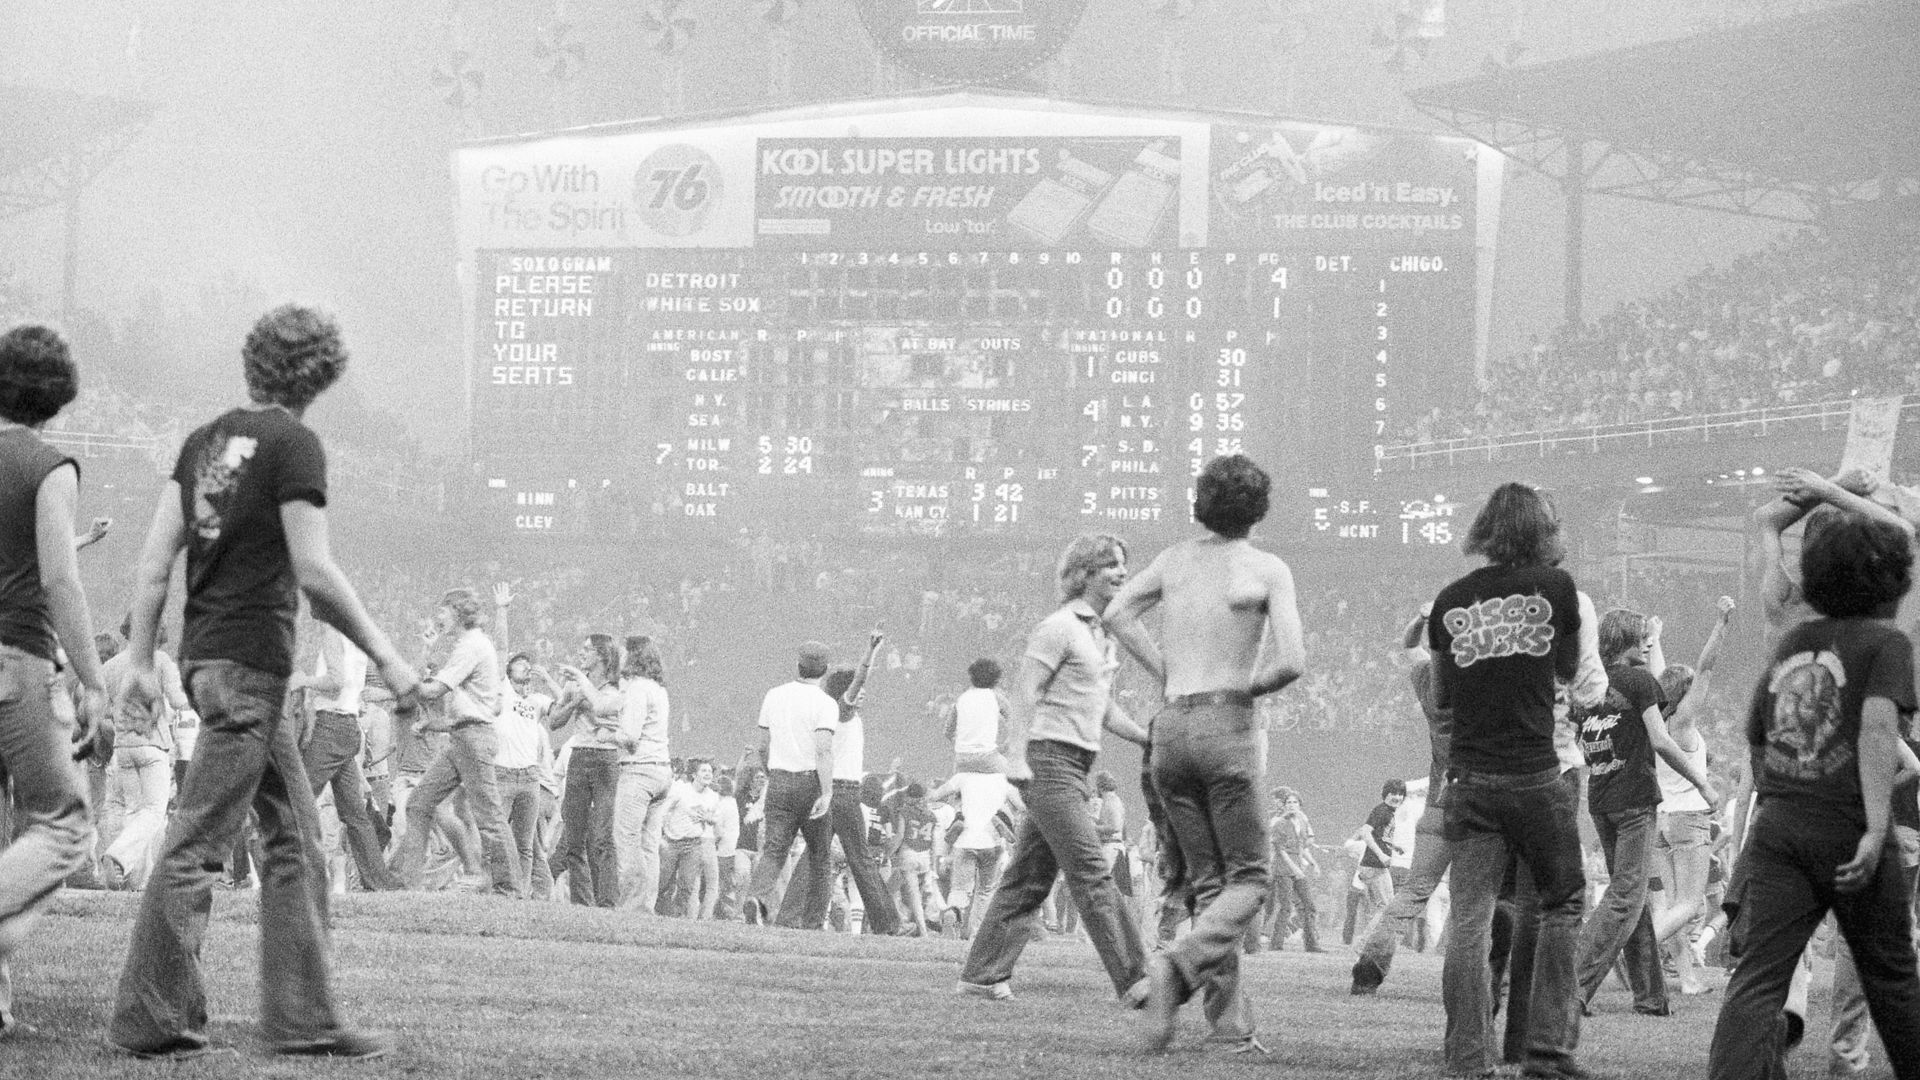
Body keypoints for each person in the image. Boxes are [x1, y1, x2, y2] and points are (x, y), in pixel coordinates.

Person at [108, 304, 420, 1059]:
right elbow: (313, 571)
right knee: (196, 845)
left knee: (296, 839)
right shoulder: (294, 444)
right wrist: (387, 654)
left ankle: (304, 1019)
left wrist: (145, 658)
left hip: (210, 660)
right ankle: (152, 1020)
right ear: (320, 374)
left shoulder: (202, 444)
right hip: (254, 668)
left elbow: (153, 566)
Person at [1707, 511, 1920, 1080]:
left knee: (1759, 979)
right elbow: (1879, 730)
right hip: (1848, 826)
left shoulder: (1794, 639)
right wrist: (1876, 828)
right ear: (1891, 582)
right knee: (1893, 980)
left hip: (1779, 826)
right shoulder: (1886, 643)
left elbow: (1758, 730)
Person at [1104, 456, 1305, 1054]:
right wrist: (1245, 689)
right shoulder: (1268, 569)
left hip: (1169, 726)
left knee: (1211, 885)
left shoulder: (1173, 559)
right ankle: (1175, 965)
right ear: (1259, 509)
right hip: (1226, 723)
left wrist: (1167, 673)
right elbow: (1292, 662)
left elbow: (1116, 614)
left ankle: (1228, 1028)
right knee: (1251, 877)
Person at [1425, 481, 1588, 1080]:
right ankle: (1547, 1051)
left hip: (1468, 778)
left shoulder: (1449, 600)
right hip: (1535, 775)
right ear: (1537, 530)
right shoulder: (1556, 588)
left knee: (1469, 919)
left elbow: (1442, 696)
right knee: (1563, 901)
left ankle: (1467, 1060)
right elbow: (1567, 669)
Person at [956, 533, 1150, 1005]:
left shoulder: (1102, 637)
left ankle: (982, 975)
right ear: (1084, 573)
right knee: (1090, 870)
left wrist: (1150, 738)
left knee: (1028, 878)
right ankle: (1138, 980)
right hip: (1048, 761)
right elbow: (1025, 693)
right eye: (1112, 565)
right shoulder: (1059, 628)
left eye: (1124, 565)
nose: (1122, 573)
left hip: (1077, 764)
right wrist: (1017, 756)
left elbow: (1104, 709)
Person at [0, 323, 108, 1040]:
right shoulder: (48, 464)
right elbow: (58, 580)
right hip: (16, 658)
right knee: (64, 825)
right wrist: (93, 681)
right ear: (57, 397)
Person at [1573, 607, 1722, 1016]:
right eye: (1642, 637)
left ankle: (1651, 997)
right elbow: (1660, 740)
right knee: (1624, 896)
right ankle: (1571, 985)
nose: (1647, 643)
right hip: (1635, 801)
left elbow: (1580, 741)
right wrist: (1704, 784)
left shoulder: (1591, 683)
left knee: (1633, 896)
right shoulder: (1638, 681)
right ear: (1626, 642)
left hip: (1601, 798)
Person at [391, 587, 518, 897]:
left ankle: (508, 887)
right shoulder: (469, 644)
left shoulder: (471, 646)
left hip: (473, 739)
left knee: (488, 816)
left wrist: (398, 677)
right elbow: (457, 703)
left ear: (459, 613)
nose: (439, 616)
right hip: (461, 737)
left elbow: (433, 691)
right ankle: (409, 882)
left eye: (444, 611)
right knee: (420, 803)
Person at [1353, 611, 1450, 989]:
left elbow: (1410, 644)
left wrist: (1423, 617)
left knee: (1413, 891)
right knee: (1481, 899)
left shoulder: (1430, 680)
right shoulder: (1485, 685)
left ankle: (1369, 968)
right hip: (1478, 799)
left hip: (1439, 801)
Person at [1648, 596, 1736, 997]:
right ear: (1686, 693)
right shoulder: (1683, 723)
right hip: (1689, 819)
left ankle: (1686, 979)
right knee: (1689, 903)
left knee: (1673, 906)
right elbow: (1706, 668)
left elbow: (1659, 675)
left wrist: (1654, 639)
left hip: (1662, 821)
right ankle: (1633, 946)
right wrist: (1721, 622)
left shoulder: (1657, 721)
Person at [295, 623, 403, 892]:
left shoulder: (332, 634)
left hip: (330, 725)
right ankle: (379, 881)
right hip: (348, 726)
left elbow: (334, 683)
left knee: (296, 801)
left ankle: (291, 879)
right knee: (355, 814)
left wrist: (303, 681)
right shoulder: (357, 641)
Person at [740, 641, 839, 929]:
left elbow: (763, 745)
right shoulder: (825, 704)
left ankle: (756, 898)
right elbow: (823, 750)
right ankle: (813, 921)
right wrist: (827, 790)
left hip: (780, 778)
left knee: (774, 850)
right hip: (810, 781)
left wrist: (774, 774)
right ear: (825, 670)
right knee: (820, 855)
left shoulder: (774, 695)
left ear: (798, 665)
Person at [822, 628, 903, 935]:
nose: (863, 692)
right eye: (857, 689)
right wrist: (872, 652)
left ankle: (794, 914)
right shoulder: (842, 712)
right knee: (862, 859)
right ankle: (888, 922)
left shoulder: (839, 715)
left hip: (832, 790)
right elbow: (860, 679)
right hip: (845, 792)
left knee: (815, 856)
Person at [550, 633, 622, 906]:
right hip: (579, 756)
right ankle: (581, 901)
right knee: (573, 835)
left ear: (601, 656)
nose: (581, 653)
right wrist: (572, 703)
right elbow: (555, 721)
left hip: (606, 759)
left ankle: (607, 902)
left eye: (587, 649)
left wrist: (586, 701)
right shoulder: (573, 686)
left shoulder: (615, 688)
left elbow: (608, 718)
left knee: (603, 834)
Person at [609, 636, 671, 912]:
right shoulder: (659, 689)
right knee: (649, 845)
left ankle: (632, 904)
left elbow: (631, 737)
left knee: (626, 838)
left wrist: (609, 733)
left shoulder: (637, 688)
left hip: (638, 771)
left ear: (632, 657)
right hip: (661, 771)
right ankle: (647, 903)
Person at [657, 758, 719, 917]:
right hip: (672, 841)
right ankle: (658, 912)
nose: (708, 774)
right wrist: (660, 834)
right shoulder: (681, 790)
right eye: (704, 771)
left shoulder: (712, 796)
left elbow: (713, 819)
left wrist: (710, 819)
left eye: (710, 771)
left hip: (694, 844)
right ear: (694, 774)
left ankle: (677, 917)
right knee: (663, 882)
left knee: (687, 885)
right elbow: (664, 810)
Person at [1347, 778, 1406, 944]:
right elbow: (1365, 832)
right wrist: (1381, 855)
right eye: (1393, 793)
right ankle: (1364, 943)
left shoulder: (1388, 813)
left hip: (1374, 866)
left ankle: (1373, 942)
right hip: (1374, 866)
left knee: (1382, 908)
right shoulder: (1381, 811)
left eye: (1401, 794)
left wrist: (1394, 847)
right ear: (1385, 794)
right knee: (1386, 907)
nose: (1397, 797)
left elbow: (1380, 836)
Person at [1267, 788, 1322, 952]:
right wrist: (1295, 869)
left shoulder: (1302, 822)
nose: (1291, 805)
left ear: (1300, 805)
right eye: (1288, 802)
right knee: (1285, 907)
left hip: (1298, 867)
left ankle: (1311, 944)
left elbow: (1302, 847)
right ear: (1284, 806)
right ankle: (1276, 944)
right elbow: (1280, 850)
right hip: (1284, 869)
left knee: (1309, 906)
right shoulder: (1280, 824)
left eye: (1294, 802)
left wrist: (1313, 863)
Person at [947, 657, 1010, 773]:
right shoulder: (998, 699)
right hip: (989, 759)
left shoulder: (962, 699)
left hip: (962, 760)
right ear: (995, 680)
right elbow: (1015, 728)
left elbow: (948, 732)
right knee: (1014, 780)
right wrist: (1001, 750)